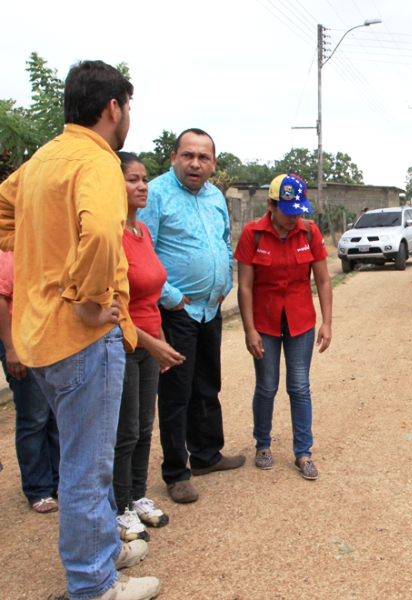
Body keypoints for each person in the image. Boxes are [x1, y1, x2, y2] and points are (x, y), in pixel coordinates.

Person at [0, 61, 160, 600]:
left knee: (79, 455)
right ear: (113, 107)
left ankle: (103, 549)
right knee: (88, 466)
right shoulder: (98, 162)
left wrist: (37, 251)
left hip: (38, 333)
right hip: (81, 338)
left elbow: (3, 206)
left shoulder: (43, 158)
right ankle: (94, 584)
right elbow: (97, 237)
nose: (128, 116)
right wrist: (90, 301)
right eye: (128, 107)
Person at [138, 128, 244, 505]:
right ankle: (176, 472)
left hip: (210, 310)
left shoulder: (215, 196)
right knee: (175, 394)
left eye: (203, 157)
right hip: (176, 311)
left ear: (214, 163)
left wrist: (226, 277)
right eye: (188, 155)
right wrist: (171, 298)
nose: (195, 163)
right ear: (173, 157)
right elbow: (141, 249)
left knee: (207, 384)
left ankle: (206, 455)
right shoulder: (155, 195)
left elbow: (223, 241)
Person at [235, 174, 333, 480]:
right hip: (264, 322)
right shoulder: (253, 234)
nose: (295, 218)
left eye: (299, 211)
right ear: (270, 205)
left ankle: (303, 453)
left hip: (300, 321)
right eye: (288, 212)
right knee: (267, 386)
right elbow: (245, 287)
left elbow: (324, 280)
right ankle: (262, 446)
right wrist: (249, 329)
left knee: (299, 387)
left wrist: (327, 322)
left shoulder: (309, 232)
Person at [114, 152, 185, 542]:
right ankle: (119, 507)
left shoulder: (142, 232)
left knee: (143, 427)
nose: (142, 186)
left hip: (148, 345)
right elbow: (111, 305)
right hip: (122, 345)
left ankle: (138, 496)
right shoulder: (109, 236)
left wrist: (157, 342)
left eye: (143, 179)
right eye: (131, 180)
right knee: (124, 432)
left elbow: (149, 294)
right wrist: (152, 343)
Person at [0, 249, 60, 514]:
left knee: (55, 415)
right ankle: (38, 487)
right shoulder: (6, 252)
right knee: (33, 416)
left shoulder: (37, 239)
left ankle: (59, 480)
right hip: (20, 339)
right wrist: (11, 348)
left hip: (47, 336)